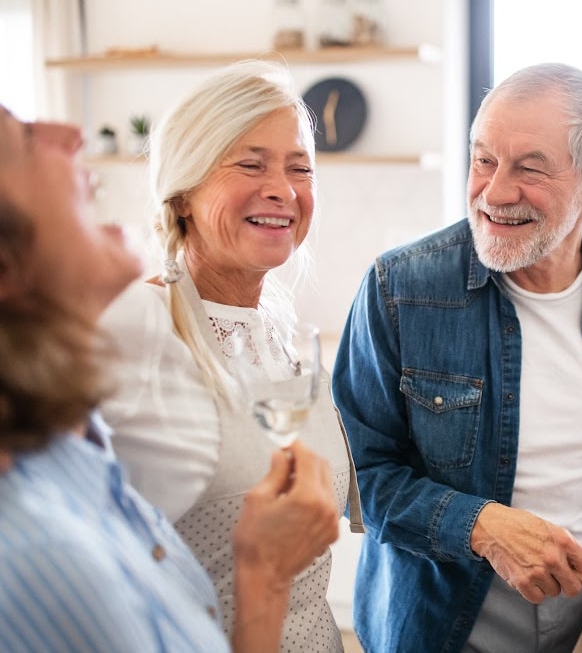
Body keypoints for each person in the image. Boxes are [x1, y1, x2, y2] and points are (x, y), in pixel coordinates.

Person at [333, 63, 582, 653]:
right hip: (444, 616)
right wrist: (482, 526)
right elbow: (356, 478)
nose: (494, 193)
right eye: (483, 159)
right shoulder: (401, 288)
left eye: (530, 168)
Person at [0, 104, 341, 652]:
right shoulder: (43, 560)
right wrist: (266, 580)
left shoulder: (75, 461)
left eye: (300, 167)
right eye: (20, 138)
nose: (72, 131)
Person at [96, 60, 364, 651]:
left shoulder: (281, 328)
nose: (283, 189)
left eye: (300, 168)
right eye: (250, 163)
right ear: (184, 192)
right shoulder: (136, 331)